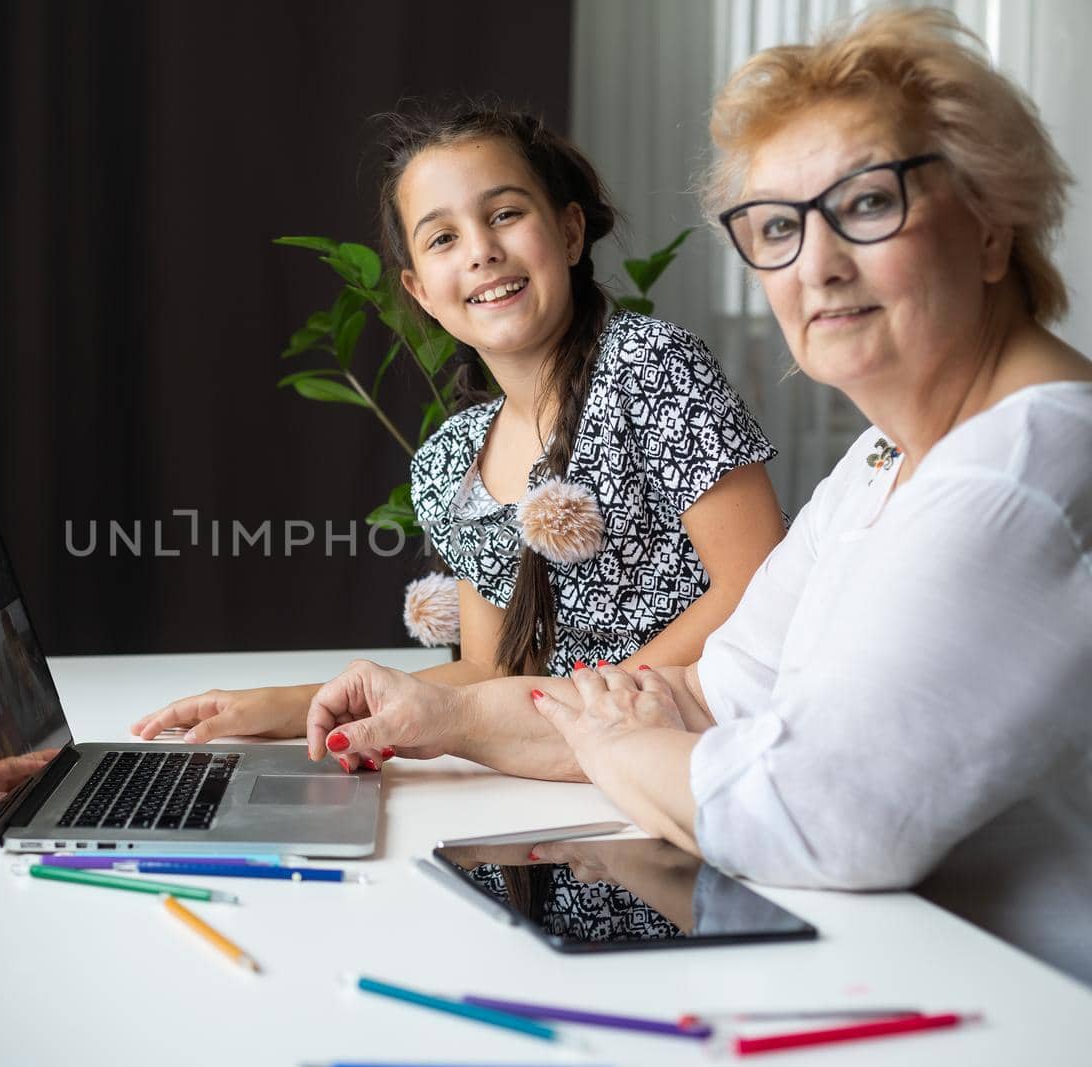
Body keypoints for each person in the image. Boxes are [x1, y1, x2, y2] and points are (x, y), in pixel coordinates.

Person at [302, 8, 1092, 982]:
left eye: (869, 204)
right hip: (883, 963)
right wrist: (446, 717)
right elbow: (711, 692)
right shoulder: (884, 461)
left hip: (1011, 1010)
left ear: (988, 226)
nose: (817, 263)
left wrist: (606, 735)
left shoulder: (1017, 477)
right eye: (776, 226)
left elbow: (811, 811)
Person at [130, 104, 787, 767]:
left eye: (505, 214)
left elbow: (758, 586)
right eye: (442, 238)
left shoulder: (650, 368)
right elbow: (488, 675)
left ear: (568, 231)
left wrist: (596, 718)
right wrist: (284, 706)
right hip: (557, 777)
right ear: (419, 291)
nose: (481, 250)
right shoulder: (452, 461)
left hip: (689, 764)